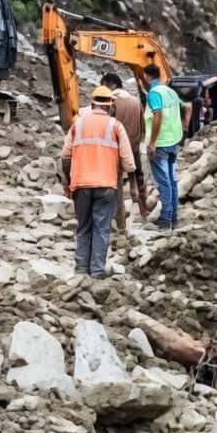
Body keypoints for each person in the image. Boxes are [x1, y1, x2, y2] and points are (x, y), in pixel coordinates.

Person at [61, 85, 135, 278]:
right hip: (106, 186)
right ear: (111, 106)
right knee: (101, 228)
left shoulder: (78, 124)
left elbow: (65, 156)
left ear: (92, 103)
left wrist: (68, 182)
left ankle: (81, 269)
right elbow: (129, 163)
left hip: (81, 184)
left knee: (83, 227)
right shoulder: (116, 126)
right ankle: (96, 270)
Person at [100, 71, 148, 232]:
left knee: (117, 184)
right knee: (138, 178)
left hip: (116, 148)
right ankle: (144, 210)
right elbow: (143, 126)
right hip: (134, 145)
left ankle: (118, 223)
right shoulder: (135, 101)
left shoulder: (111, 102)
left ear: (109, 84)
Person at [144, 63, 187, 229]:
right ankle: (174, 217)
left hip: (160, 142)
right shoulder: (171, 92)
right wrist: (182, 131)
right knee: (172, 181)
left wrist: (152, 142)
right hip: (173, 140)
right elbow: (185, 110)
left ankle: (165, 218)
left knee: (164, 182)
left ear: (147, 76)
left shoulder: (154, 93)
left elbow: (157, 115)